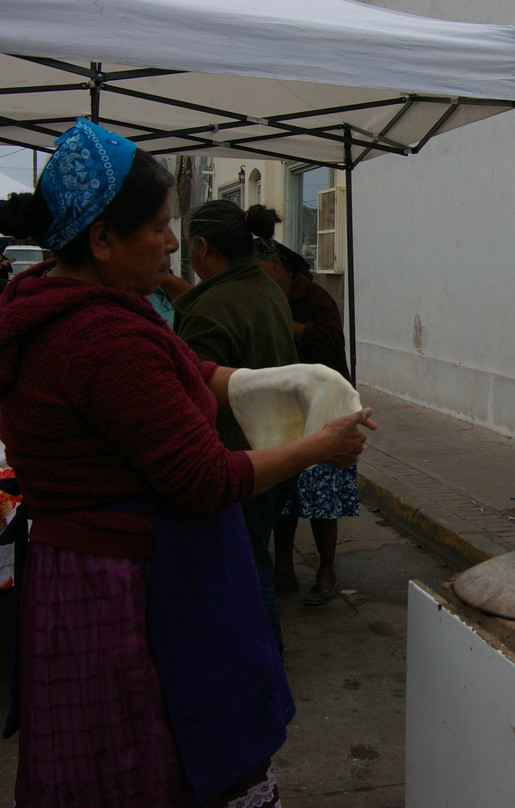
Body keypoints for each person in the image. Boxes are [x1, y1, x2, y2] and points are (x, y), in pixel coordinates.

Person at [0, 118, 375, 807]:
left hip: (86, 572)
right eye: (158, 228)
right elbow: (205, 479)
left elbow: (184, 368)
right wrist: (320, 448)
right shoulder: (101, 338)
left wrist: (264, 383)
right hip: (125, 593)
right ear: (102, 238)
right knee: (145, 763)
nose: (173, 244)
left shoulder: (68, 304)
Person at [170, 201, 299, 649]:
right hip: (273, 446)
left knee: (244, 565)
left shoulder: (211, 308)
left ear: (201, 246)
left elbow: (194, 396)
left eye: (185, 246)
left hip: (237, 456)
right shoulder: (264, 287)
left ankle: (265, 657)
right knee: (252, 557)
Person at [254, 237, 359, 606]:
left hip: (323, 409)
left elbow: (331, 341)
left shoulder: (313, 297)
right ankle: (283, 569)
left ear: (276, 263)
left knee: (320, 495)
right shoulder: (261, 297)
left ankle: (326, 572)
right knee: (282, 493)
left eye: (261, 265)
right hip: (283, 411)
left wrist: (290, 324)